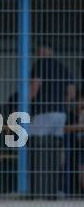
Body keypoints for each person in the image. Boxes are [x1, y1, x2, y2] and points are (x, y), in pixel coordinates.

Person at [28, 42, 76, 198]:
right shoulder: (63, 67)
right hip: (60, 113)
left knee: (35, 145)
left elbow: (35, 86)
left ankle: (36, 186)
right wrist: (62, 104)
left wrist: (25, 103)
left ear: (42, 51)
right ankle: (56, 186)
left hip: (43, 111)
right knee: (57, 147)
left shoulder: (40, 64)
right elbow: (71, 93)